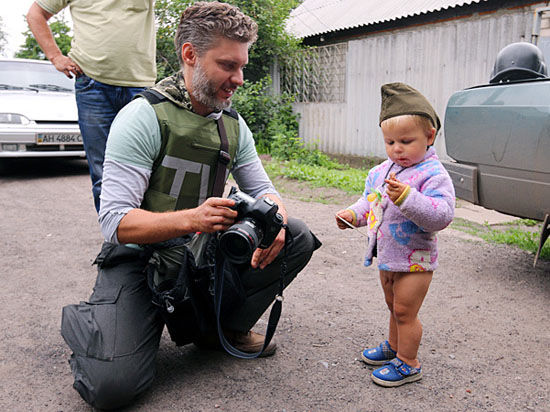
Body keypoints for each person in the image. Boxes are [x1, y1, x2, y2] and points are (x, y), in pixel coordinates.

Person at [59, 2, 320, 409]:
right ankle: (103, 325)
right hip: (141, 259)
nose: (239, 79)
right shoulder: (142, 117)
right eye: (227, 65)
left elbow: (265, 189)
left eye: (242, 66)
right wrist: (193, 219)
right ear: (190, 55)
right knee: (111, 388)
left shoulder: (232, 124)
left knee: (298, 235)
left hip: (201, 256)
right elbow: (114, 222)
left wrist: (277, 219)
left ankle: (221, 331)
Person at [335, 82, 454, 387]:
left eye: (405, 140)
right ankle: (394, 346)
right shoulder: (380, 172)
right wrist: (352, 215)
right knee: (393, 307)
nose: (396, 149)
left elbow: (441, 216)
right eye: (390, 142)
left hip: (417, 261)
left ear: (430, 136)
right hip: (387, 257)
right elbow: (369, 202)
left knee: (405, 310)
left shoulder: (434, 175)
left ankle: (408, 362)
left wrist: (407, 198)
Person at [26, 0, 157, 212]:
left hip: (140, 85)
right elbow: (35, 14)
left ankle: (149, 233)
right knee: (103, 171)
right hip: (92, 84)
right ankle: (117, 238)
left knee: (148, 167)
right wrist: (55, 57)